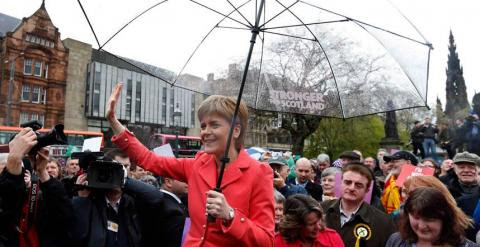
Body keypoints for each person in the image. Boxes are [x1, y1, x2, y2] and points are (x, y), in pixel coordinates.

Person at [107, 84, 275, 246]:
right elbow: (150, 159)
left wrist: (230, 215)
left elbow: (267, 241)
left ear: (236, 131)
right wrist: (114, 122)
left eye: (214, 125)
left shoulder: (259, 173)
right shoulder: (196, 165)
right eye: (203, 126)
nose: (205, 132)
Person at [0, 128, 73, 247]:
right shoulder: (9, 186)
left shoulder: (42, 190)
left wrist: (43, 172)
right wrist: (14, 160)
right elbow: (7, 205)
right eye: (6, 169)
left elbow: (65, 217)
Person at [321, 163, 395, 247]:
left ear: (367, 189)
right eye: (348, 182)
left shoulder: (383, 222)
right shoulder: (320, 210)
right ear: (340, 183)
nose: (352, 188)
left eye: (358, 185)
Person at [386, 187, 477, 247]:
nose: (421, 226)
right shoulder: (396, 241)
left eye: (429, 220)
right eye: (416, 218)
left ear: (445, 218)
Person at [275, 194, 344, 247]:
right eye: (311, 224)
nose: (318, 227)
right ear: (295, 225)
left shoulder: (332, 238)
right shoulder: (277, 242)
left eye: (318, 220)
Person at [154, 176, 189, 247]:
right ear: (168, 182)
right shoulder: (173, 211)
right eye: (184, 179)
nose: (189, 182)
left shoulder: (161, 200)